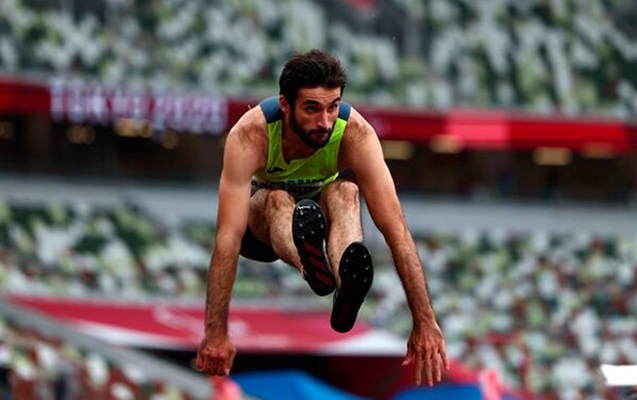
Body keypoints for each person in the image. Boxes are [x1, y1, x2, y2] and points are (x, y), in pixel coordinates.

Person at [196, 49, 449, 387]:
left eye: (332, 107)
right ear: (286, 105)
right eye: (312, 109)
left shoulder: (355, 133)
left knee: (347, 192)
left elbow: (396, 231)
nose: (325, 123)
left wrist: (425, 320)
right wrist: (216, 332)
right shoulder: (250, 135)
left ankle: (344, 283)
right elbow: (228, 237)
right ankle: (310, 265)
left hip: (317, 219)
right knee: (276, 199)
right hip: (262, 230)